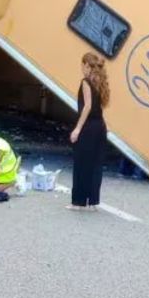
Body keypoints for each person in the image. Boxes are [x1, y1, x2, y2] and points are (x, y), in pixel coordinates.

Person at [68, 52, 109, 211]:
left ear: (86, 65)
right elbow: (100, 106)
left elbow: (88, 106)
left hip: (89, 127)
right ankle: (92, 202)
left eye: (82, 65)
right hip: (100, 127)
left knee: (81, 163)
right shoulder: (100, 81)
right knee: (95, 165)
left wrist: (77, 129)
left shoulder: (86, 82)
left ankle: (77, 202)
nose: (81, 69)